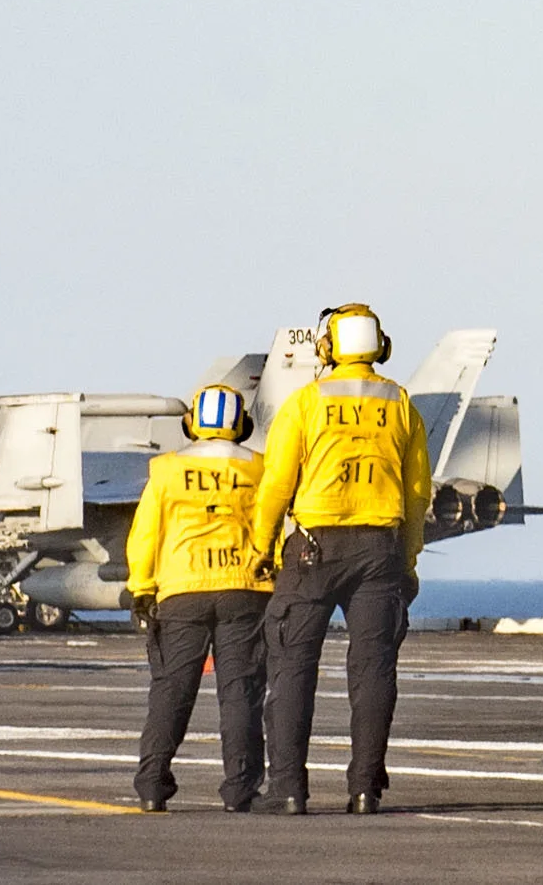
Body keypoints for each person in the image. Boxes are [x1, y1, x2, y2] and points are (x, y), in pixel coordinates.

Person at [247, 302, 431, 816]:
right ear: (380, 346)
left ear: (327, 348)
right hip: (380, 550)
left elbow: (277, 483)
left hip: (313, 549)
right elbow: (418, 493)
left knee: (292, 669)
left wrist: (262, 547)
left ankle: (288, 791)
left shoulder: (307, 401)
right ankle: (365, 790)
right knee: (373, 672)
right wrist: (409, 559)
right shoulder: (400, 404)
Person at [127, 382, 273, 812]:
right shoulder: (259, 468)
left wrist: (141, 588)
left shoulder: (166, 470)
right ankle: (240, 789)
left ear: (192, 424)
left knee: (171, 691)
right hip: (244, 591)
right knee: (241, 693)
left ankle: (153, 786)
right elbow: (273, 528)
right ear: (241, 426)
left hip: (182, 593)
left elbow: (145, 535)